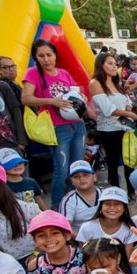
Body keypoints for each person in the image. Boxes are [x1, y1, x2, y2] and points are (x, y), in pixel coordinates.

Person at [22, 39, 88, 207]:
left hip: (77, 124)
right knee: (62, 170)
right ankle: (57, 207)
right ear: (35, 57)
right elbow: (26, 98)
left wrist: (82, 99)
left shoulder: (63, 73)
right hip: (58, 128)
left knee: (78, 166)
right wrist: (52, 101)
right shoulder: (32, 73)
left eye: (49, 55)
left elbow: (74, 93)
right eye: (41, 56)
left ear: (55, 55)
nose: (46, 59)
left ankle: (76, 203)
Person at [88, 52, 136, 193]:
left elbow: (127, 101)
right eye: (110, 63)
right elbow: (107, 109)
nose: (114, 67)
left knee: (129, 162)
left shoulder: (117, 83)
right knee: (113, 163)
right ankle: (116, 191)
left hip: (125, 128)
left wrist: (128, 111)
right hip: (109, 131)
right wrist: (129, 114)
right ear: (101, 65)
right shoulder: (95, 83)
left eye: (115, 64)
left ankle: (131, 191)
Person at [27, 210, 86, 274]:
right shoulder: (35, 265)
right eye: (41, 235)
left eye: (55, 233)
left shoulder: (84, 258)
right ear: (35, 241)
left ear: (67, 235)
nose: (49, 239)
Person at [75, 186, 137, 261]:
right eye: (107, 204)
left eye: (117, 204)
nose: (112, 207)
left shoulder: (129, 229)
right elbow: (82, 256)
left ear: (124, 208)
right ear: (101, 207)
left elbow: (127, 259)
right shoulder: (87, 227)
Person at [60, 160, 101, 234]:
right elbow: (65, 228)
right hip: (80, 237)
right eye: (76, 177)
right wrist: (83, 240)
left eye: (85, 175)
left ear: (94, 177)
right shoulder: (69, 200)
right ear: (72, 181)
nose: (81, 179)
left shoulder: (105, 193)